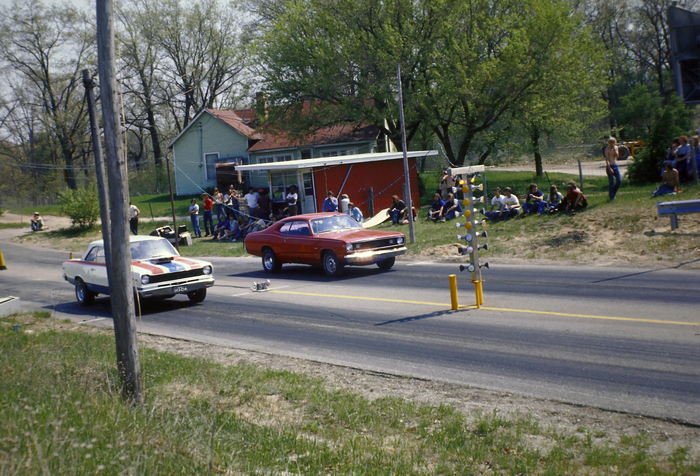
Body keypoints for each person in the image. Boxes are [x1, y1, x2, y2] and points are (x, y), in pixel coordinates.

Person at [604, 137, 622, 201]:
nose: (612, 144)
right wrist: (609, 168)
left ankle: (613, 193)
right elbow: (607, 160)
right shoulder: (606, 149)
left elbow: (617, 156)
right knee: (612, 181)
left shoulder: (616, 147)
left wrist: (614, 150)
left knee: (619, 180)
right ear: (609, 143)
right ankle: (612, 197)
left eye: (613, 143)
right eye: (611, 143)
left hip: (615, 165)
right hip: (609, 166)